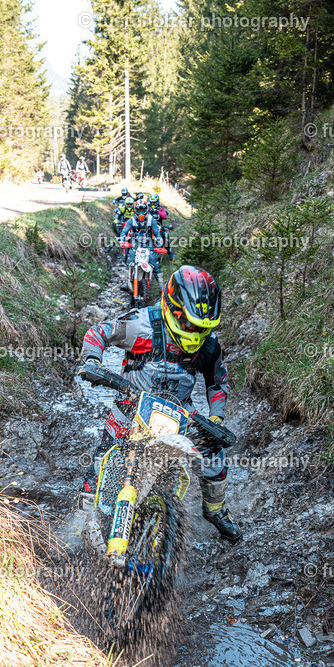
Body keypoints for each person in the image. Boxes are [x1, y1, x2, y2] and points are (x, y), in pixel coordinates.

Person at [78, 265, 242, 542]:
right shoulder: (140, 324)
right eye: (190, 324)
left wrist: (217, 417)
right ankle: (82, 519)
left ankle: (215, 510)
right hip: (131, 405)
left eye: (202, 327)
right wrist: (93, 361)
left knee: (214, 451)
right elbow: (99, 333)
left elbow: (217, 382)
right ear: (174, 308)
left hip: (180, 413)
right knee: (101, 460)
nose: (195, 332)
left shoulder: (209, 345)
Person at [119, 198, 165, 289]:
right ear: (135, 210)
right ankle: (126, 281)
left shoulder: (151, 219)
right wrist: (122, 240)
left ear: (146, 209)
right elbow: (124, 232)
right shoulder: (132, 220)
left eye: (143, 210)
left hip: (149, 244)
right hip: (135, 244)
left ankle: (161, 286)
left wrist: (160, 242)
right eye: (138, 210)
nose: (141, 213)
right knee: (129, 261)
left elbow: (157, 233)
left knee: (155, 263)